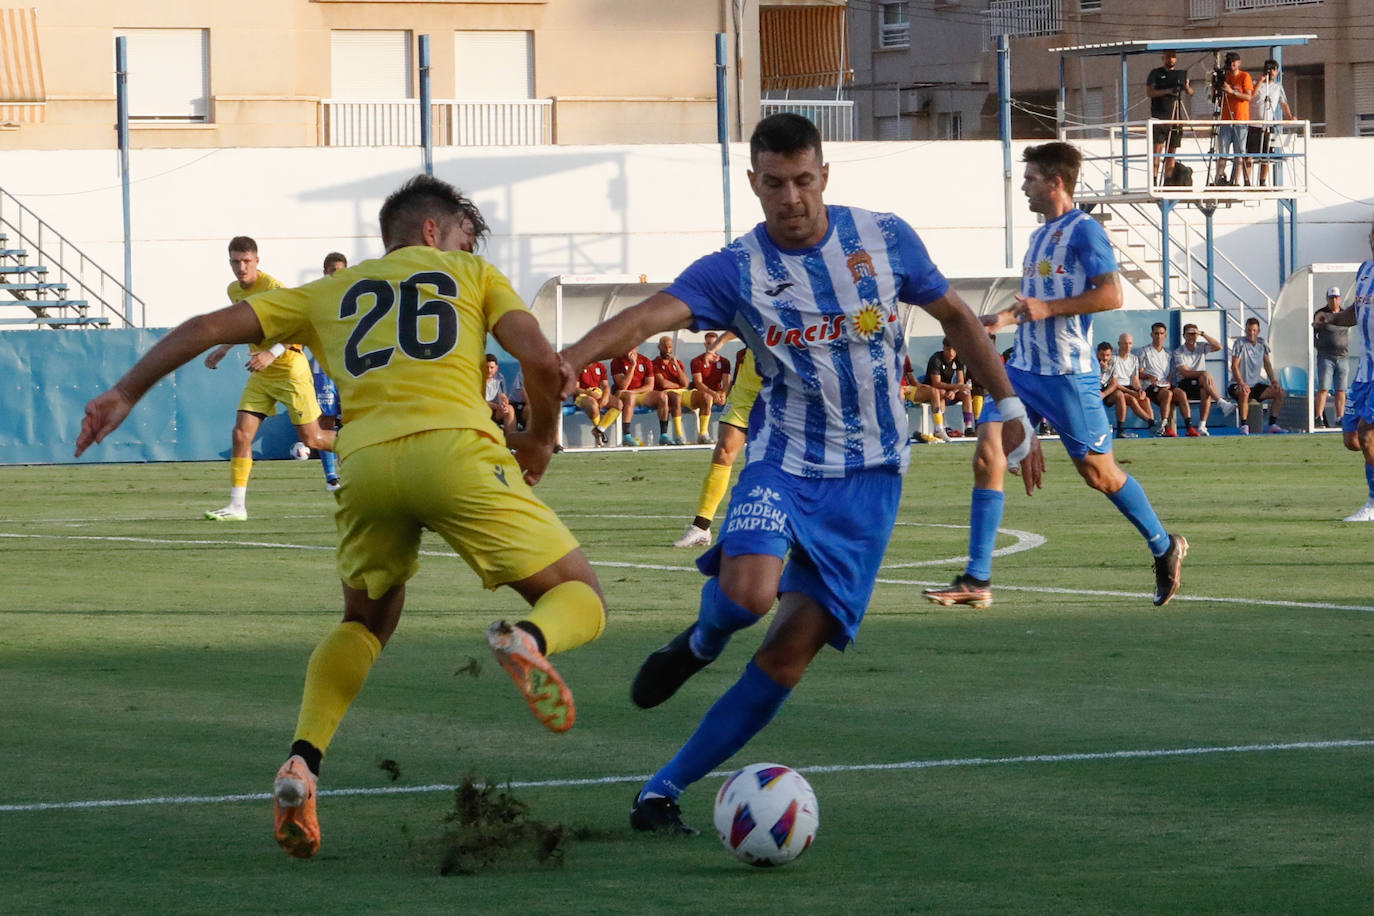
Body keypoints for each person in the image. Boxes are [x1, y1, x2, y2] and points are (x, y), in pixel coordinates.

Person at [75, 174, 608, 859]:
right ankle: (529, 638)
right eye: (464, 234)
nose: (469, 245)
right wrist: (538, 438)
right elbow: (537, 355)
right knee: (579, 595)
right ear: (430, 232)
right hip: (456, 453)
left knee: (365, 622)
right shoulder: (470, 272)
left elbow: (208, 328)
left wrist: (125, 391)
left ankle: (304, 761)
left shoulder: (329, 291)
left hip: (363, 467)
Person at [557, 113, 1038, 835]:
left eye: (803, 180)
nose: (791, 197)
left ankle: (661, 790)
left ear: (824, 176)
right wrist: (570, 361)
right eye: (775, 184)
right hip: (783, 460)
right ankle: (699, 643)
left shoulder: (885, 238)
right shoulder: (735, 269)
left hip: (871, 479)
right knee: (749, 597)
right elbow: (648, 317)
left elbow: (959, 318)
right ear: (754, 183)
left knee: (789, 655)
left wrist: (1007, 404)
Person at [923, 141, 1186, 611]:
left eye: (1029, 179)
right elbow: (1033, 305)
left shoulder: (1085, 232)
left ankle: (1164, 545)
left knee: (1099, 474)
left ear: (1055, 182)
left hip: (1068, 374)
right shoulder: (1037, 238)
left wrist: (1050, 308)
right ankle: (977, 579)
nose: (1023, 186)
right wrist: (1001, 320)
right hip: (1022, 369)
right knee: (987, 457)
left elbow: (1112, 296)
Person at [202, 236, 336, 521]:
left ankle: (369, 446)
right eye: (236, 262)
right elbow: (244, 327)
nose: (241, 267)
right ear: (229, 262)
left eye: (246, 261)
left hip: (289, 370)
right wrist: (223, 348)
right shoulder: (233, 290)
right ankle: (237, 506)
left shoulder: (275, 289)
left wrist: (271, 354)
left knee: (313, 438)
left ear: (257, 261)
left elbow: (300, 326)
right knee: (241, 434)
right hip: (262, 375)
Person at [673, 336, 762, 547]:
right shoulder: (758, 305)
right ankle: (701, 527)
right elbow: (737, 317)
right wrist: (717, 345)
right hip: (745, 394)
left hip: (784, 394)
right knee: (723, 452)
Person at [1313, 228, 1374, 521]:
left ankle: (1373, 505)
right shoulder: (1365, 271)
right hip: (1365, 369)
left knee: (1367, 434)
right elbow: (1355, 312)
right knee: (1351, 438)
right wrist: (1333, 318)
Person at [312, 251, 350, 492]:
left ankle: (354, 471)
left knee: (352, 418)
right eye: (333, 270)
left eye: (342, 271)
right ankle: (332, 477)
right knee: (326, 419)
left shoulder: (356, 296)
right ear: (325, 272)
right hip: (323, 365)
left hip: (349, 364)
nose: (338, 275)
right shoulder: (317, 297)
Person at [1172, 323, 1234, 436]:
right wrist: (1203, 373)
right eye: (1189, 334)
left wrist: (1203, 334)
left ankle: (1202, 425)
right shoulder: (1178, 351)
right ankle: (1221, 402)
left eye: (1194, 334)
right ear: (1184, 335)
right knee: (1204, 377)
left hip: (1201, 383)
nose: (1191, 337)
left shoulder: (1201, 346)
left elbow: (1219, 346)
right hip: (1185, 383)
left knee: (1206, 391)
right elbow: (1185, 373)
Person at [1228, 317, 1286, 434]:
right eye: (1249, 330)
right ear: (1245, 330)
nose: (1251, 333)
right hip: (1237, 384)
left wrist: (1273, 381)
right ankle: (1244, 426)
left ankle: (1272, 424)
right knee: (1245, 392)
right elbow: (1234, 366)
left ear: (1258, 331)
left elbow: (1267, 364)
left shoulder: (1262, 343)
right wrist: (1241, 383)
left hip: (1255, 385)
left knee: (1280, 392)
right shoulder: (1240, 343)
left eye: (1254, 330)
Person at [1145, 49, 1193, 185]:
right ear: (1163, 58)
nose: (1170, 59)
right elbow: (1149, 92)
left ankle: (1168, 181)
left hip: (1176, 118)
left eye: (1173, 57)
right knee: (1158, 151)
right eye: (1168, 57)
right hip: (1159, 118)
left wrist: (1187, 86)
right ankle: (1154, 180)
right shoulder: (1156, 74)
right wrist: (1167, 90)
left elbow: (1190, 92)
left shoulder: (1179, 75)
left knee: (1171, 153)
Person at [1135, 322, 1190, 437]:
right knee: (1167, 394)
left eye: (1161, 333)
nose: (1159, 336)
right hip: (1150, 387)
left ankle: (1189, 428)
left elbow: (1170, 374)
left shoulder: (1168, 354)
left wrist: (1168, 381)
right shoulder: (1144, 351)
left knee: (1181, 394)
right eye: (1156, 333)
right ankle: (1164, 427)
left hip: (1164, 385)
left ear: (1165, 335)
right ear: (1151, 335)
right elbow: (1138, 373)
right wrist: (1149, 377)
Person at [1249, 59, 1293, 187]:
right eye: (1270, 68)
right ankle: (1248, 182)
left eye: (1274, 69)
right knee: (1249, 155)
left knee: (1267, 155)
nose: (1272, 71)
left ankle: (1262, 181)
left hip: (1268, 125)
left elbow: (1283, 103)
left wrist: (1289, 116)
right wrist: (1261, 80)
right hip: (1253, 125)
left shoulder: (1278, 87)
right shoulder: (1256, 83)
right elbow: (1251, 96)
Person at [1214, 52, 1254, 187]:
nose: (1232, 65)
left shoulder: (1245, 76)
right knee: (1223, 152)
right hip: (1226, 119)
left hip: (1240, 120)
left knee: (1239, 153)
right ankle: (1219, 177)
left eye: (1234, 62)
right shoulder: (1225, 77)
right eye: (1229, 62)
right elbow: (1217, 99)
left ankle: (1236, 181)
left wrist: (1232, 92)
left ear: (1239, 62)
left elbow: (1249, 97)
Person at [1098, 341, 1154, 438]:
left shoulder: (1114, 362)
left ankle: (1152, 425)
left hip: (1108, 392)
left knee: (1142, 399)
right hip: (1095, 391)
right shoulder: (1093, 364)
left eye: (1107, 355)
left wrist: (1139, 390)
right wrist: (1103, 370)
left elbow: (1114, 382)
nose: (1105, 358)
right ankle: (1151, 423)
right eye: (1102, 355)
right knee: (1122, 395)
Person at [1314, 285, 1349, 428]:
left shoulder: (1345, 314)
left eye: (1336, 297)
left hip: (1343, 357)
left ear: (1340, 299)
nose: (1334, 300)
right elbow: (1313, 330)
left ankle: (1340, 417)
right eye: (1331, 298)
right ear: (1327, 299)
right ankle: (1319, 416)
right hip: (1326, 357)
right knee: (1324, 388)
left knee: (1341, 389)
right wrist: (1317, 345)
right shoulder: (1321, 314)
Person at [688, 331, 732, 444]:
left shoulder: (724, 362)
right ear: (705, 344)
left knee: (735, 402)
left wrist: (724, 394)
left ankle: (731, 436)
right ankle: (703, 434)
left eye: (713, 343)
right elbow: (698, 383)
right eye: (708, 343)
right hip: (702, 394)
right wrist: (714, 394)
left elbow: (727, 383)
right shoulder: (697, 361)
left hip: (717, 393)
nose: (710, 346)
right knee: (706, 397)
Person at [1110, 331, 1157, 436]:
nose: (1128, 346)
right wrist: (1132, 393)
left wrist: (1140, 390)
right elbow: (1114, 383)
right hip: (1115, 388)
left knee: (1145, 399)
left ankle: (1153, 428)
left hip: (1128, 388)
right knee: (1128, 398)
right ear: (1119, 344)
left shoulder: (1134, 358)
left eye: (1130, 343)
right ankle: (1122, 430)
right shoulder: (1113, 359)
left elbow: (1135, 380)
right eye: (1125, 343)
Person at [926, 337, 975, 437]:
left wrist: (954, 391)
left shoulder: (958, 359)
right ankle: (943, 426)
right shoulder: (936, 359)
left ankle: (968, 427)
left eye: (954, 349)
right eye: (948, 349)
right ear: (944, 348)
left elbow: (961, 381)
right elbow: (936, 383)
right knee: (942, 393)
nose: (951, 353)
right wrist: (956, 387)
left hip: (950, 390)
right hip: (934, 391)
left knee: (966, 393)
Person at [651, 335, 691, 445]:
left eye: (670, 347)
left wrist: (676, 365)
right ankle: (679, 434)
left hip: (680, 392)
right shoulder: (654, 364)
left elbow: (686, 383)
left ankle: (704, 434)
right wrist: (679, 385)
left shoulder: (678, 363)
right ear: (659, 347)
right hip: (663, 394)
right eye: (665, 347)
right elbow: (663, 384)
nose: (668, 350)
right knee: (676, 397)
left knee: (705, 398)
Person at [572, 360, 615, 446]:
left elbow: (605, 386)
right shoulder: (578, 366)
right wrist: (589, 393)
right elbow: (575, 389)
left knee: (618, 404)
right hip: (582, 395)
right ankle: (600, 434)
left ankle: (599, 430)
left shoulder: (600, 366)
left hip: (598, 394)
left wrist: (605, 397)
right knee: (593, 404)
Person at [484, 353, 518, 435]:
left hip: (496, 410)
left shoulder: (500, 378)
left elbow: (502, 395)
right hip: (481, 409)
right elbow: (479, 400)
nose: (489, 370)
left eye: (492, 367)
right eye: (486, 367)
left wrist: (504, 404)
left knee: (509, 409)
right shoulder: (477, 378)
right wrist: (497, 406)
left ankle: (511, 441)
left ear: (496, 368)